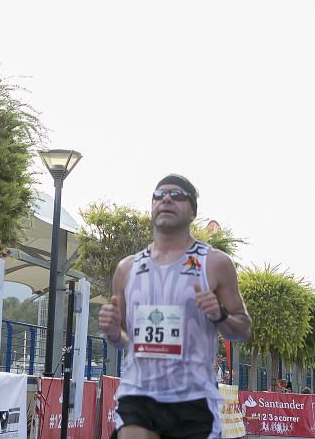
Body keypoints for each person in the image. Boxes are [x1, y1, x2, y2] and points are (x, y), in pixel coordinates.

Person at [97, 174, 252, 439]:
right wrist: (112, 332)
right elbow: (125, 340)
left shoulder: (214, 263)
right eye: (159, 195)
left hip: (193, 399)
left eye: (177, 195)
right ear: (152, 206)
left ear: (193, 211)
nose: (166, 198)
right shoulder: (127, 268)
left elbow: (243, 330)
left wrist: (219, 315)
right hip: (139, 394)